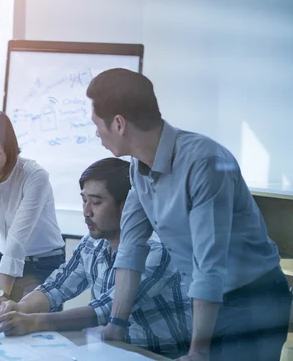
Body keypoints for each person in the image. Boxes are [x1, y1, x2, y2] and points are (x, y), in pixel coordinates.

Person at [87, 68, 290, 361]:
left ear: (118, 123)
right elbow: (131, 247)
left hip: (252, 300)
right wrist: (116, 323)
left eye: (97, 124)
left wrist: (198, 351)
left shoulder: (204, 162)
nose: (95, 133)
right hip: (206, 301)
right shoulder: (138, 167)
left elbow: (210, 263)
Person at [0, 158, 191, 357]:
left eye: (96, 202)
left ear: (127, 207)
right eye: (84, 200)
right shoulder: (92, 242)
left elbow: (105, 309)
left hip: (160, 355)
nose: (86, 212)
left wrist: (33, 322)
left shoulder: (156, 250)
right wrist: (19, 307)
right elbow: (57, 286)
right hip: (115, 350)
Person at [0, 111, 65, 319]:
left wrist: (0, 295)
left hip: (43, 262)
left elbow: (17, 238)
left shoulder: (35, 175)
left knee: (30, 329)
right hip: (2, 262)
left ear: (9, 149)